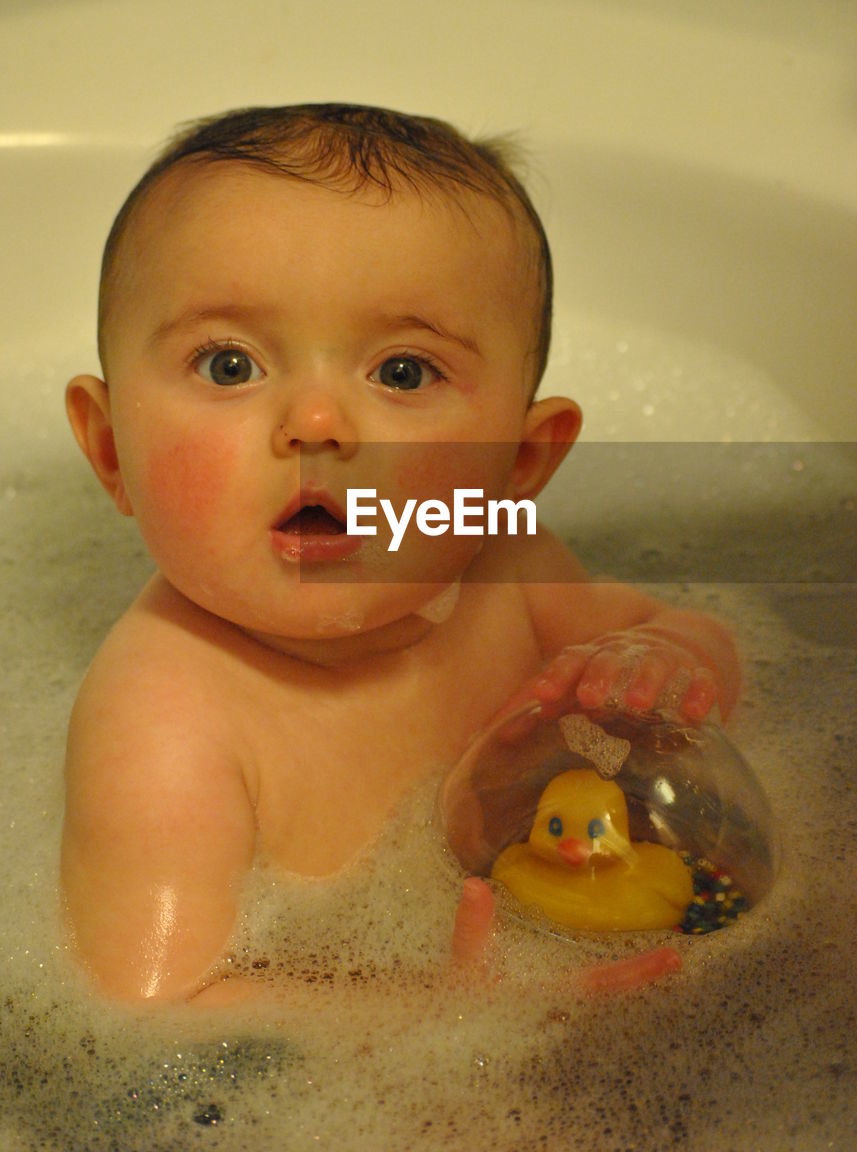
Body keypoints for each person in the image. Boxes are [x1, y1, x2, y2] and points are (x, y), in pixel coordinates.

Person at [63, 103, 740, 1006]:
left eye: (402, 372)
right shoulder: (164, 721)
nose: (315, 424)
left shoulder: (505, 561)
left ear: (515, 464)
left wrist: (668, 659)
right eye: (228, 365)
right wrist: (448, 1024)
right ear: (112, 453)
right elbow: (153, 1009)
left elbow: (698, 651)